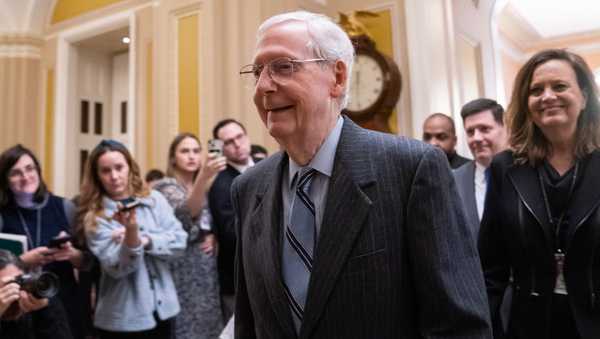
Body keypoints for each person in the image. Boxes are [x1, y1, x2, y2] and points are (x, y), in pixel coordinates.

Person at [233, 11, 491, 338]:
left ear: (337, 77)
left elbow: (460, 327)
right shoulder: (248, 188)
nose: (264, 86)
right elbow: (249, 325)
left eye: (283, 67)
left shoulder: (412, 170)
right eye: (257, 71)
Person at [479, 49, 600, 339]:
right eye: (536, 90)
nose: (547, 96)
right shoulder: (504, 168)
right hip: (528, 325)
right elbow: (491, 267)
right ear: (527, 103)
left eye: (559, 86)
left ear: (584, 97)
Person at [77, 139, 187, 338]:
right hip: (122, 320)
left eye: (119, 167)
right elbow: (119, 268)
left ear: (130, 167)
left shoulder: (155, 199)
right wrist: (132, 233)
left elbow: (180, 242)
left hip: (164, 310)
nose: (114, 176)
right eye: (105, 171)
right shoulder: (95, 218)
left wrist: (144, 239)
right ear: (97, 176)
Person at [0, 144, 86, 338]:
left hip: (64, 300)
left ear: (38, 170)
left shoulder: (65, 207)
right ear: (5, 180)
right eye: (16, 172)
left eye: (30, 168)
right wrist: (23, 261)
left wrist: (72, 254)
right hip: (17, 308)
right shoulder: (2, 215)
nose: (25, 176)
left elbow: (87, 262)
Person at [153, 133, 226, 339]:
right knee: (186, 328)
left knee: (210, 327)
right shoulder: (166, 187)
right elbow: (186, 216)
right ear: (173, 158)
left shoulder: (205, 187)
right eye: (185, 151)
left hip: (205, 272)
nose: (192, 156)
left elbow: (209, 223)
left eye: (196, 151)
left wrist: (213, 236)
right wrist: (203, 176)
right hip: (181, 270)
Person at [208, 119, 254, 321]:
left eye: (240, 137)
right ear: (220, 148)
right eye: (228, 142)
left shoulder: (267, 166)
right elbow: (230, 233)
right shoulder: (219, 183)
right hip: (237, 280)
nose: (237, 144)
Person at [453, 98, 507, 234]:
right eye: (470, 132)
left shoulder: (527, 172)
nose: (476, 138)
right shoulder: (454, 180)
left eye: (484, 129)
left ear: (505, 128)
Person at [0, 249, 73, 339]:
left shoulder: (41, 301)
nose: (16, 289)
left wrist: (44, 311)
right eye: (8, 285)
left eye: (19, 280)